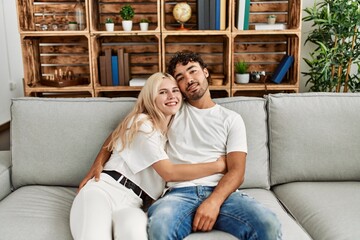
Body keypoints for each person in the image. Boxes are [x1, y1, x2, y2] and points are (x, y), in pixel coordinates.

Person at [80, 52, 282, 240]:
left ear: (205, 72)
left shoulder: (231, 119)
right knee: (160, 225)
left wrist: (213, 202)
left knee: (268, 224)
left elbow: (237, 172)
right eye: (181, 78)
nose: (189, 80)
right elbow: (122, 131)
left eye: (193, 71)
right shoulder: (171, 108)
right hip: (178, 193)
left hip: (222, 192)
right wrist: (97, 164)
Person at [70, 72, 227, 240]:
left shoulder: (169, 134)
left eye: (175, 90)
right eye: (162, 92)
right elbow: (169, 172)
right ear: (151, 99)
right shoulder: (142, 123)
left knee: (135, 234)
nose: (171, 96)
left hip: (133, 204)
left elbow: (115, 136)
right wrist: (218, 166)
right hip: (104, 190)